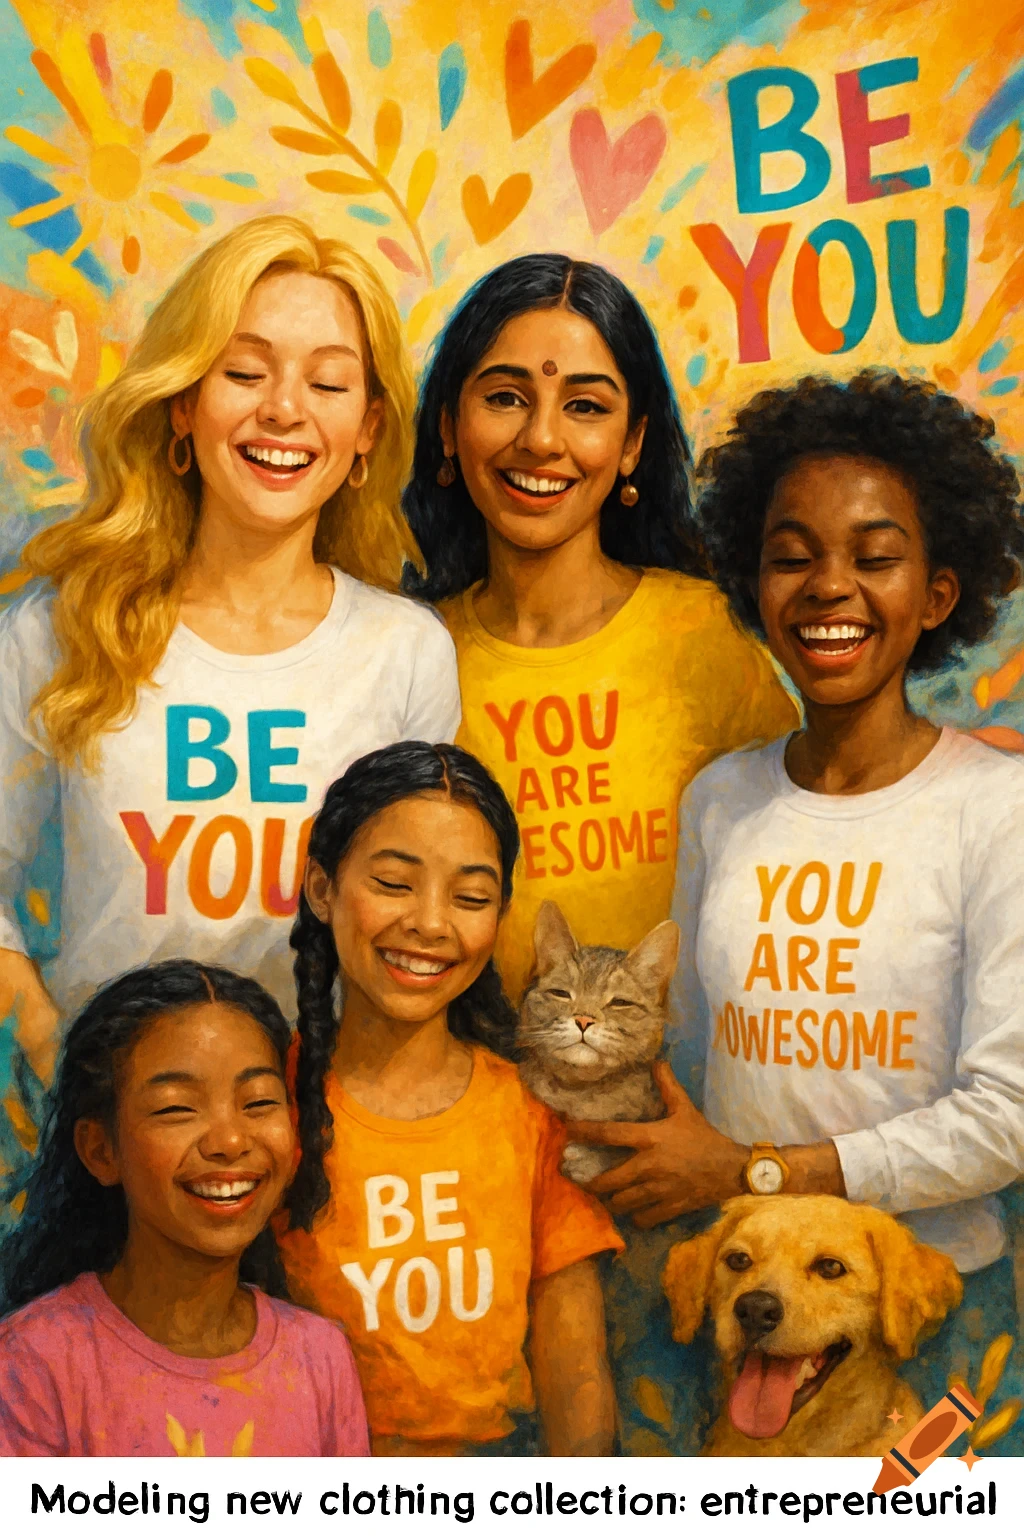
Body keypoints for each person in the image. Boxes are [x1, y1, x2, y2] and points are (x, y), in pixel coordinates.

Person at [568, 371, 1024, 1448]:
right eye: (792, 555)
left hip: (929, 1317)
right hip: (745, 1309)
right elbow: (692, 1052)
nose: (829, 587)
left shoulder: (997, 808)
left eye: (874, 557)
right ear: (753, 582)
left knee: (923, 1511)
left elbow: (1007, 1116)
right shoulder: (721, 800)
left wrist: (761, 1172)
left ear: (938, 593)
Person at [0, 215, 460, 1086]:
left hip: (324, 1123)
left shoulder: (408, 651)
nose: (283, 408)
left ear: (368, 428)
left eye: (328, 382)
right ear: (184, 402)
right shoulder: (61, 629)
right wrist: (52, 1050)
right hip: (111, 1134)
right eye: (244, 372)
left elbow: (417, 920)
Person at [402, 254, 797, 1004]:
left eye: (585, 406)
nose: (542, 439)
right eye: (506, 397)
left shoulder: (705, 633)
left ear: (632, 444)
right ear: (449, 426)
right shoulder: (409, 651)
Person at [275, 741, 623, 1455]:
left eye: (470, 898)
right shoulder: (261, 1104)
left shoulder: (529, 1110)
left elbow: (577, 1386)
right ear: (321, 889)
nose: (431, 924)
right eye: (394, 883)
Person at [0, 960, 369, 1456]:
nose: (230, 1141)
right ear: (100, 1150)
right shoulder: (31, 1366)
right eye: (177, 1108)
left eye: (259, 1102)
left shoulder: (320, 1357)